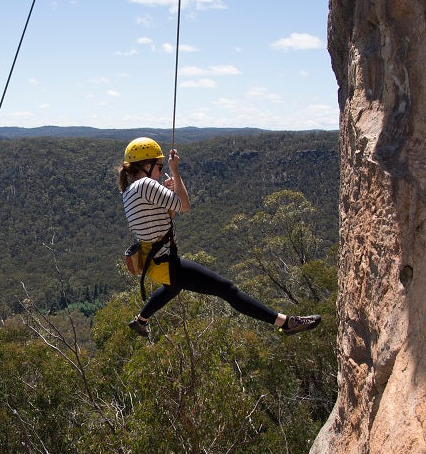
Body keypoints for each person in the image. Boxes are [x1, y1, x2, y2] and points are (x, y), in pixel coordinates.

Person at [118, 137, 321, 338]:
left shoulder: (129, 190)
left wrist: (170, 190)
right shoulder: (145, 185)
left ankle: (140, 320)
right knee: (227, 289)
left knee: (173, 288)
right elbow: (185, 206)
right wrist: (175, 171)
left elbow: (167, 214)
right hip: (165, 262)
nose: (161, 171)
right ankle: (286, 323)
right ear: (146, 165)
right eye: (159, 166)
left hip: (154, 262)